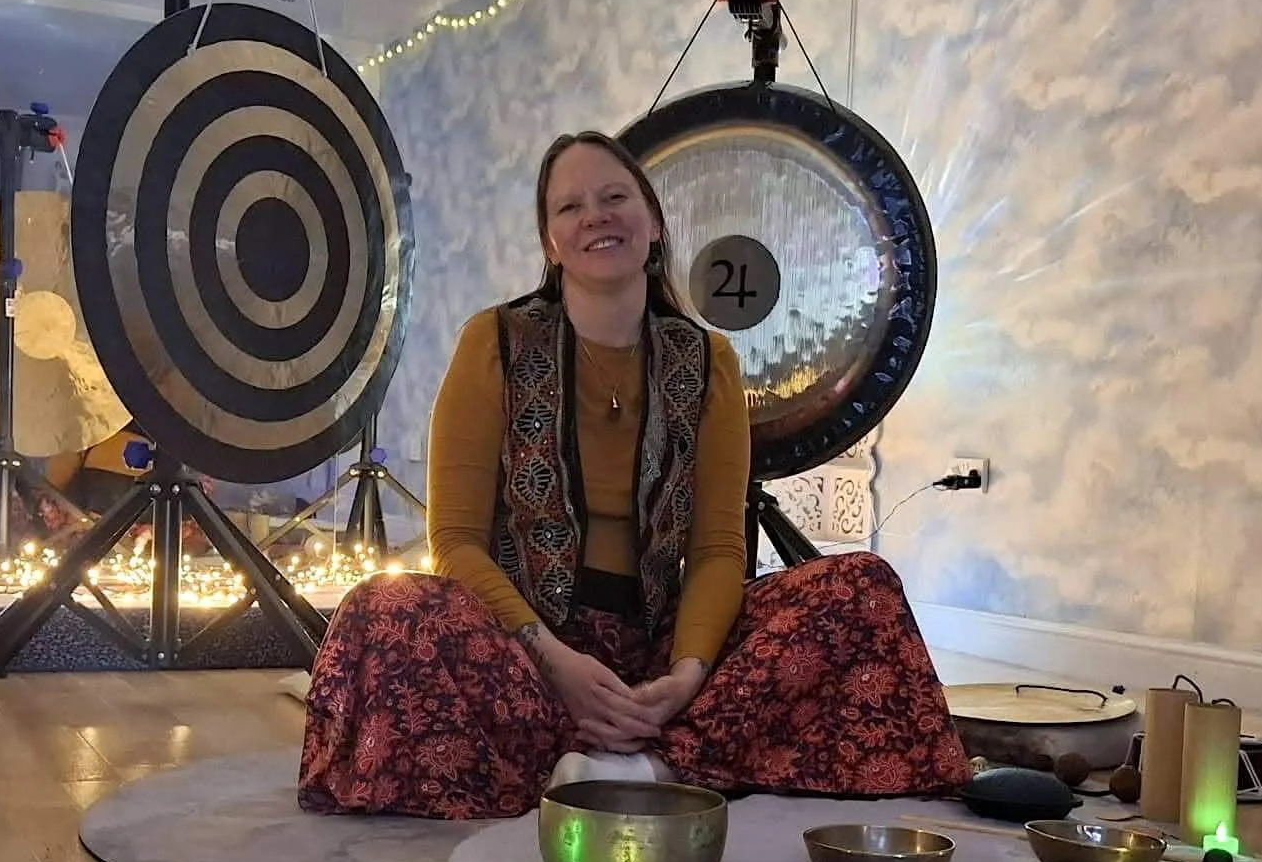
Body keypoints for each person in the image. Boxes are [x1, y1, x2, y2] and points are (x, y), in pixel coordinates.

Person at [296, 130, 966, 819]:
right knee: (384, 610)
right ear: (551, 244)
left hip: (657, 647)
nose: (596, 217)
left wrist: (685, 674)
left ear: (653, 224)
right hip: (523, 652)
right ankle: (632, 754)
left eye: (615, 197)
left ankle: (645, 757)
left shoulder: (709, 361)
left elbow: (715, 550)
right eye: (570, 207)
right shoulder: (494, 342)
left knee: (860, 588)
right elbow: (457, 541)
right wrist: (552, 659)